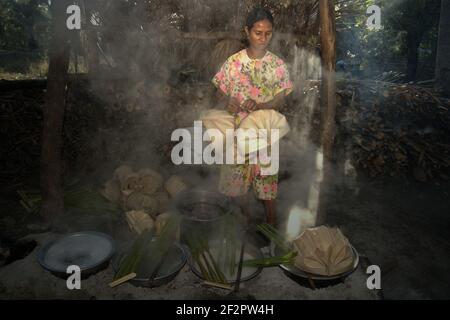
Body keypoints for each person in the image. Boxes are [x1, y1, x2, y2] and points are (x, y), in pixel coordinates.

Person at [211, 7, 293, 226]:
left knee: (267, 187)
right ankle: (241, 226)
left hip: (265, 135)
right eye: (258, 32)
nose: (263, 38)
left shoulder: (277, 66)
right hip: (236, 134)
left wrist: (261, 105)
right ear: (247, 31)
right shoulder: (233, 63)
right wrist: (226, 100)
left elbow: (281, 98)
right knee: (236, 184)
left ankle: (271, 232)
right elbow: (220, 89)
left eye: (268, 33)